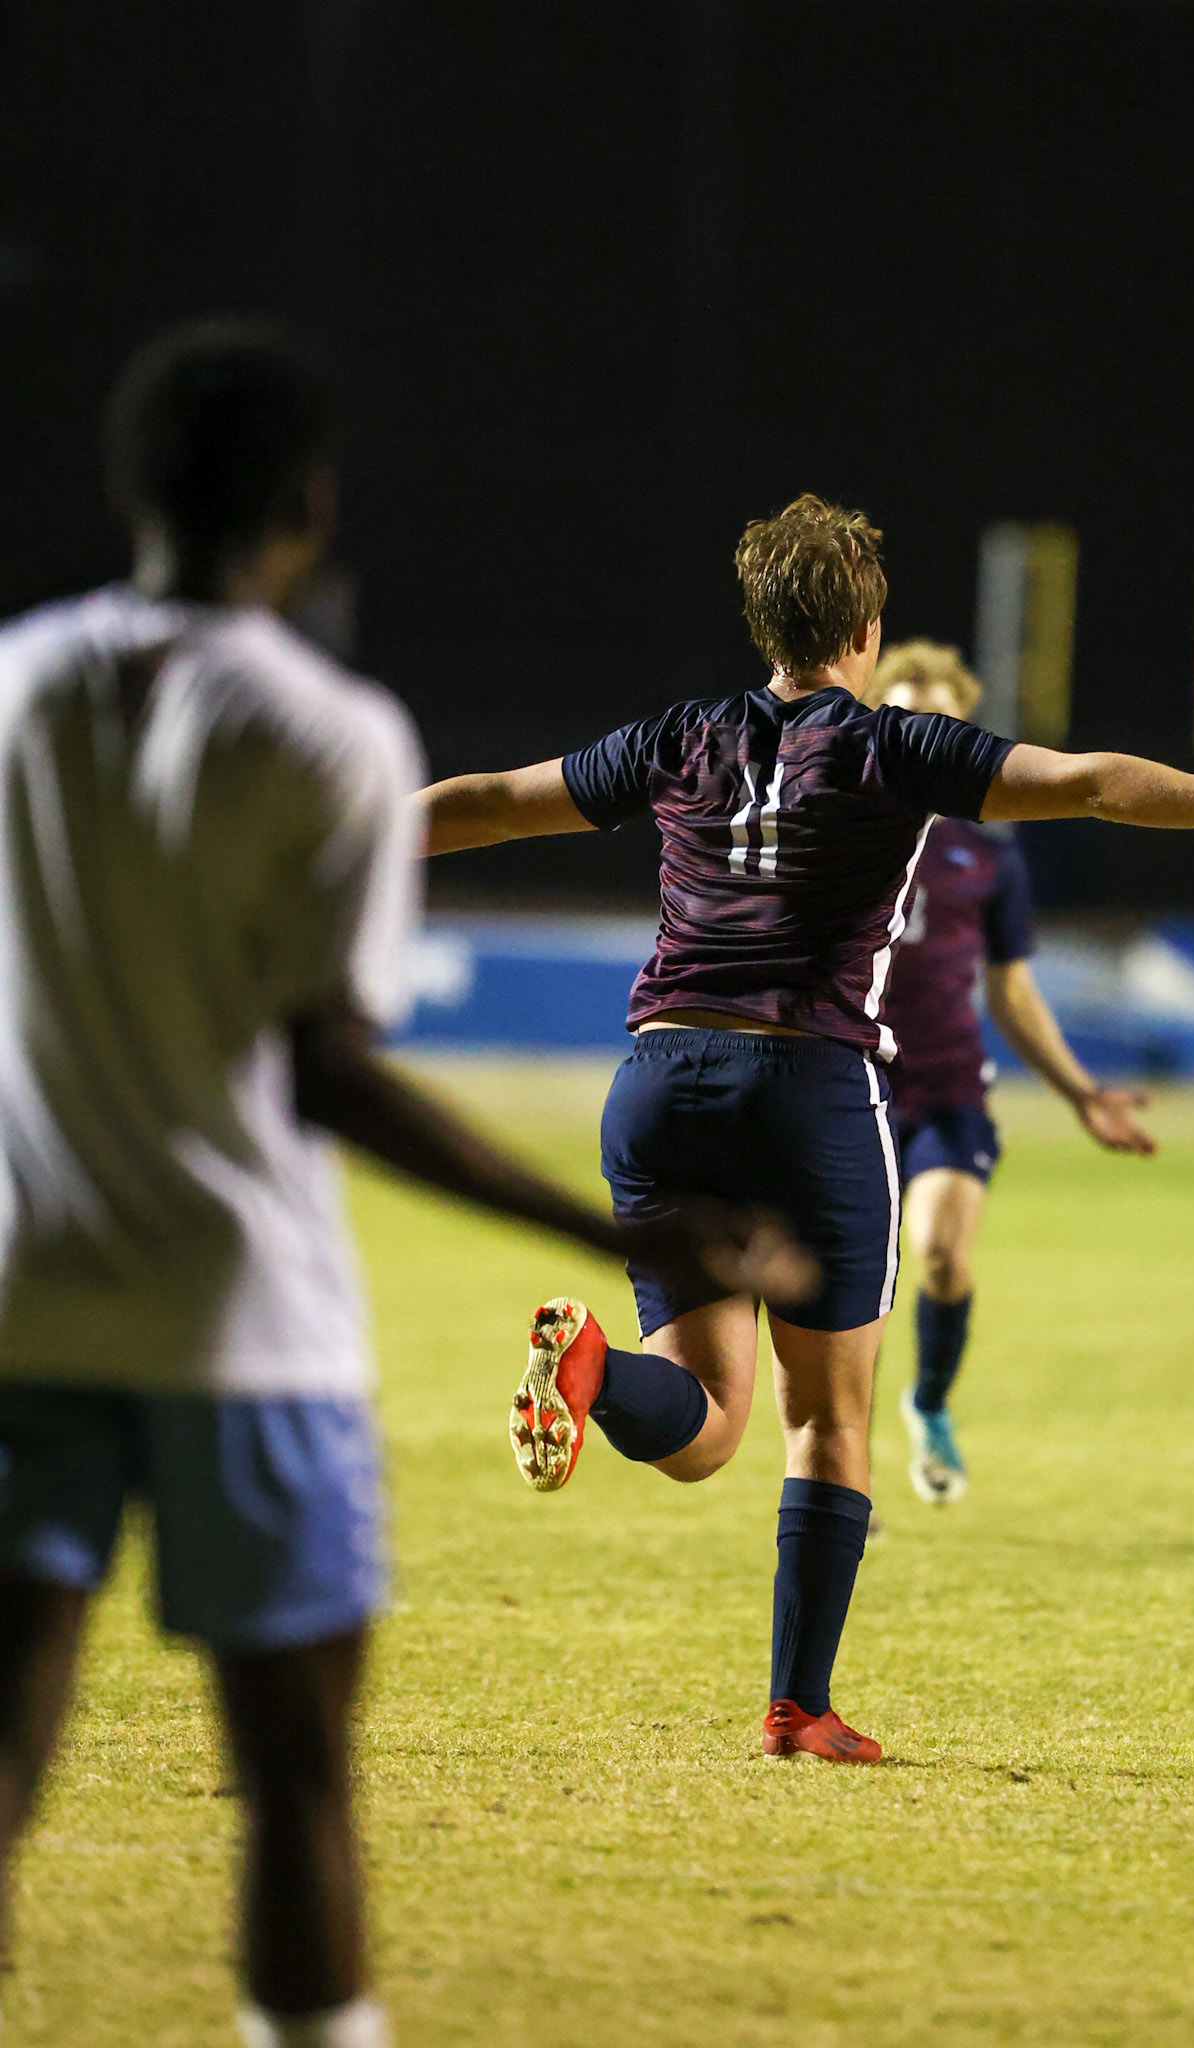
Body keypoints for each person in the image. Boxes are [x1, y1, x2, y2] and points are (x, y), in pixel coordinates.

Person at [0, 322, 804, 2048]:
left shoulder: (12, 684)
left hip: (25, 1307)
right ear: (309, 502)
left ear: (129, 487)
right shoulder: (324, 730)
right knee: (294, 1775)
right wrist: (605, 1226)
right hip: (247, 1327)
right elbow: (318, 1064)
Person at [421, 492, 1194, 1765]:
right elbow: (1088, 782)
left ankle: (593, 1363)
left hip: (657, 1083)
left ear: (761, 621)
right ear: (866, 628)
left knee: (706, 1425)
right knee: (825, 1420)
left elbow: (487, 799)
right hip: (806, 1087)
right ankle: (797, 1704)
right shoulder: (893, 747)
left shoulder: (678, 735)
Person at [864, 641, 1155, 1505]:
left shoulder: (987, 850)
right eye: (908, 716)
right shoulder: (839, 820)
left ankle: (929, 1402)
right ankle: (845, 1473)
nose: (926, 735)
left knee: (943, 1257)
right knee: (852, 1294)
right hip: (852, 1082)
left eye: (941, 721)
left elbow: (1013, 989)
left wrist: (1082, 1093)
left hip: (948, 1084)